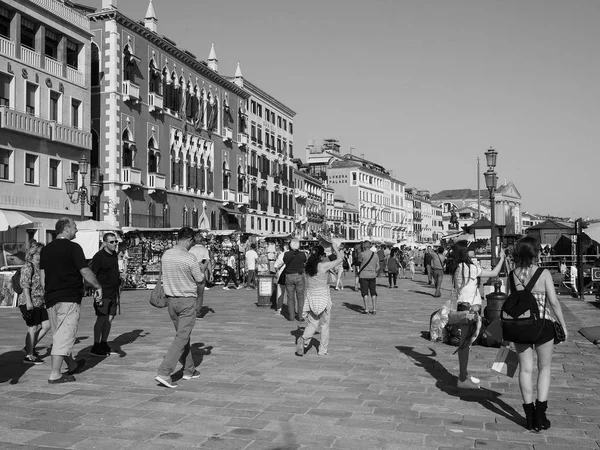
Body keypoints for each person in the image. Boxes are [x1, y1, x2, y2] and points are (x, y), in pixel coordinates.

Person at [508, 236, 568, 431]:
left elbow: (512, 304)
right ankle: (541, 415)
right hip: (543, 326)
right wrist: (564, 327)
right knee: (545, 368)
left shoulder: (512, 275)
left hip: (520, 328)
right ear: (536, 253)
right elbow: (554, 302)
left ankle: (529, 416)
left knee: (525, 370)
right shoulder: (544, 274)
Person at [40, 218, 102, 384]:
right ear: (66, 229)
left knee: (59, 333)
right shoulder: (73, 248)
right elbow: (84, 271)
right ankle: (55, 374)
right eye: (75, 227)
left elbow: (42, 277)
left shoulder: (46, 249)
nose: (76, 230)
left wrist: (48, 292)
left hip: (51, 297)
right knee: (64, 335)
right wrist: (97, 286)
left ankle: (72, 364)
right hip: (68, 296)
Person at [155, 227, 206, 389]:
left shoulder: (166, 255)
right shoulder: (189, 258)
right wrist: (202, 268)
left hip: (171, 301)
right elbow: (199, 279)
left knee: (183, 336)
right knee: (182, 337)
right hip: (186, 301)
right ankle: (164, 371)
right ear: (190, 240)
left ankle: (189, 369)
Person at [453, 246, 505, 389]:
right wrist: (502, 259)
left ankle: (464, 374)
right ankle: (462, 379)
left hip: (462, 307)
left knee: (466, 343)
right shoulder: (473, 268)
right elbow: (494, 272)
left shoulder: (458, 268)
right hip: (471, 309)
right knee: (465, 344)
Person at [296, 243, 343, 356]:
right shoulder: (323, 266)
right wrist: (335, 247)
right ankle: (322, 350)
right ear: (321, 256)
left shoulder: (308, 267)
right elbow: (340, 258)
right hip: (322, 297)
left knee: (312, 323)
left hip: (311, 297)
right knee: (325, 325)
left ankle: (303, 338)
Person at [89, 233, 121, 357]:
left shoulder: (114, 255)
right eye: (111, 242)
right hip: (103, 292)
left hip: (113, 292)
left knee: (110, 318)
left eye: (115, 242)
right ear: (105, 243)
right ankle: (96, 345)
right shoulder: (99, 256)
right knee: (101, 318)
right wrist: (96, 290)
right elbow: (92, 274)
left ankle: (104, 342)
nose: (114, 244)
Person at [18, 241, 50, 364]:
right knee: (33, 327)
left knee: (47, 325)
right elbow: (25, 285)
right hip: (29, 300)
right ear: (35, 253)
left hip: (40, 301)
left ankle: (29, 347)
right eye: (42, 252)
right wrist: (29, 302)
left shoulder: (41, 267)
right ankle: (29, 355)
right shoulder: (28, 266)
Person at [283, 238, 307, 322]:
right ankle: (300, 316)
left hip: (289, 276)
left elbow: (285, 262)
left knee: (290, 297)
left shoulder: (286, 254)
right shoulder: (302, 254)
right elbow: (304, 261)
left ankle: (291, 316)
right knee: (300, 297)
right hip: (299, 276)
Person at [189, 237, 213, 317]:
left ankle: (191, 310)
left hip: (191, 273)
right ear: (202, 241)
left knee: (191, 293)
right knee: (200, 294)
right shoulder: (204, 249)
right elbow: (207, 261)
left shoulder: (190, 249)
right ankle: (198, 311)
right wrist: (211, 274)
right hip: (200, 273)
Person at [357, 240, 380, 314]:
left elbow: (358, 263)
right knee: (373, 292)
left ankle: (366, 309)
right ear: (370, 246)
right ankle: (374, 309)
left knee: (365, 292)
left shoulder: (362, 254)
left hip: (363, 275)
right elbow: (378, 267)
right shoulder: (375, 255)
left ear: (364, 246)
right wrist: (374, 271)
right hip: (372, 275)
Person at [273, 244, 288, 316]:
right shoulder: (294, 254)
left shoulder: (281, 255)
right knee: (291, 294)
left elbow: (276, 266)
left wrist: (277, 271)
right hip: (291, 275)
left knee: (280, 292)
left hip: (281, 275)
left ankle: (279, 308)